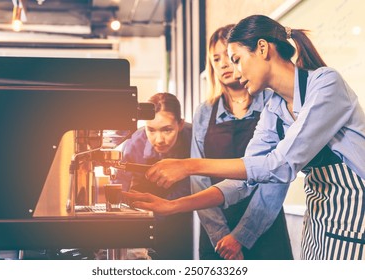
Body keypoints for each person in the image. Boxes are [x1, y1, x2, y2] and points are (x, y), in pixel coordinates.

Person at [124, 15, 365, 260]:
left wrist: (188, 166)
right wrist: (173, 205)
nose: (235, 72)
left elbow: (280, 166)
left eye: (237, 60)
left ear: (262, 48)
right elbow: (243, 180)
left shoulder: (326, 84)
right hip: (319, 216)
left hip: (355, 213)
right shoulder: (274, 107)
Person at [191, 24, 292, 260]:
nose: (223, 64)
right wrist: (221, 237)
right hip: (217, 238)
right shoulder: (204, 112)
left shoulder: (272, 101)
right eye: (215, 59)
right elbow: (198, 179)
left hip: (266, 229)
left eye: (229, 56)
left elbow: (276, 174)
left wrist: (242, 235)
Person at [117, 92, 193, 260]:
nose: (158, 139)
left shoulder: (194, 139)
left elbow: (195, 185)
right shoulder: (134, 143)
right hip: (145, 210)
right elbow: (120, 185)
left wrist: (166, 208)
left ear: (180, 124)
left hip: (182, 211)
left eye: (167, 130)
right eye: (151, 130)